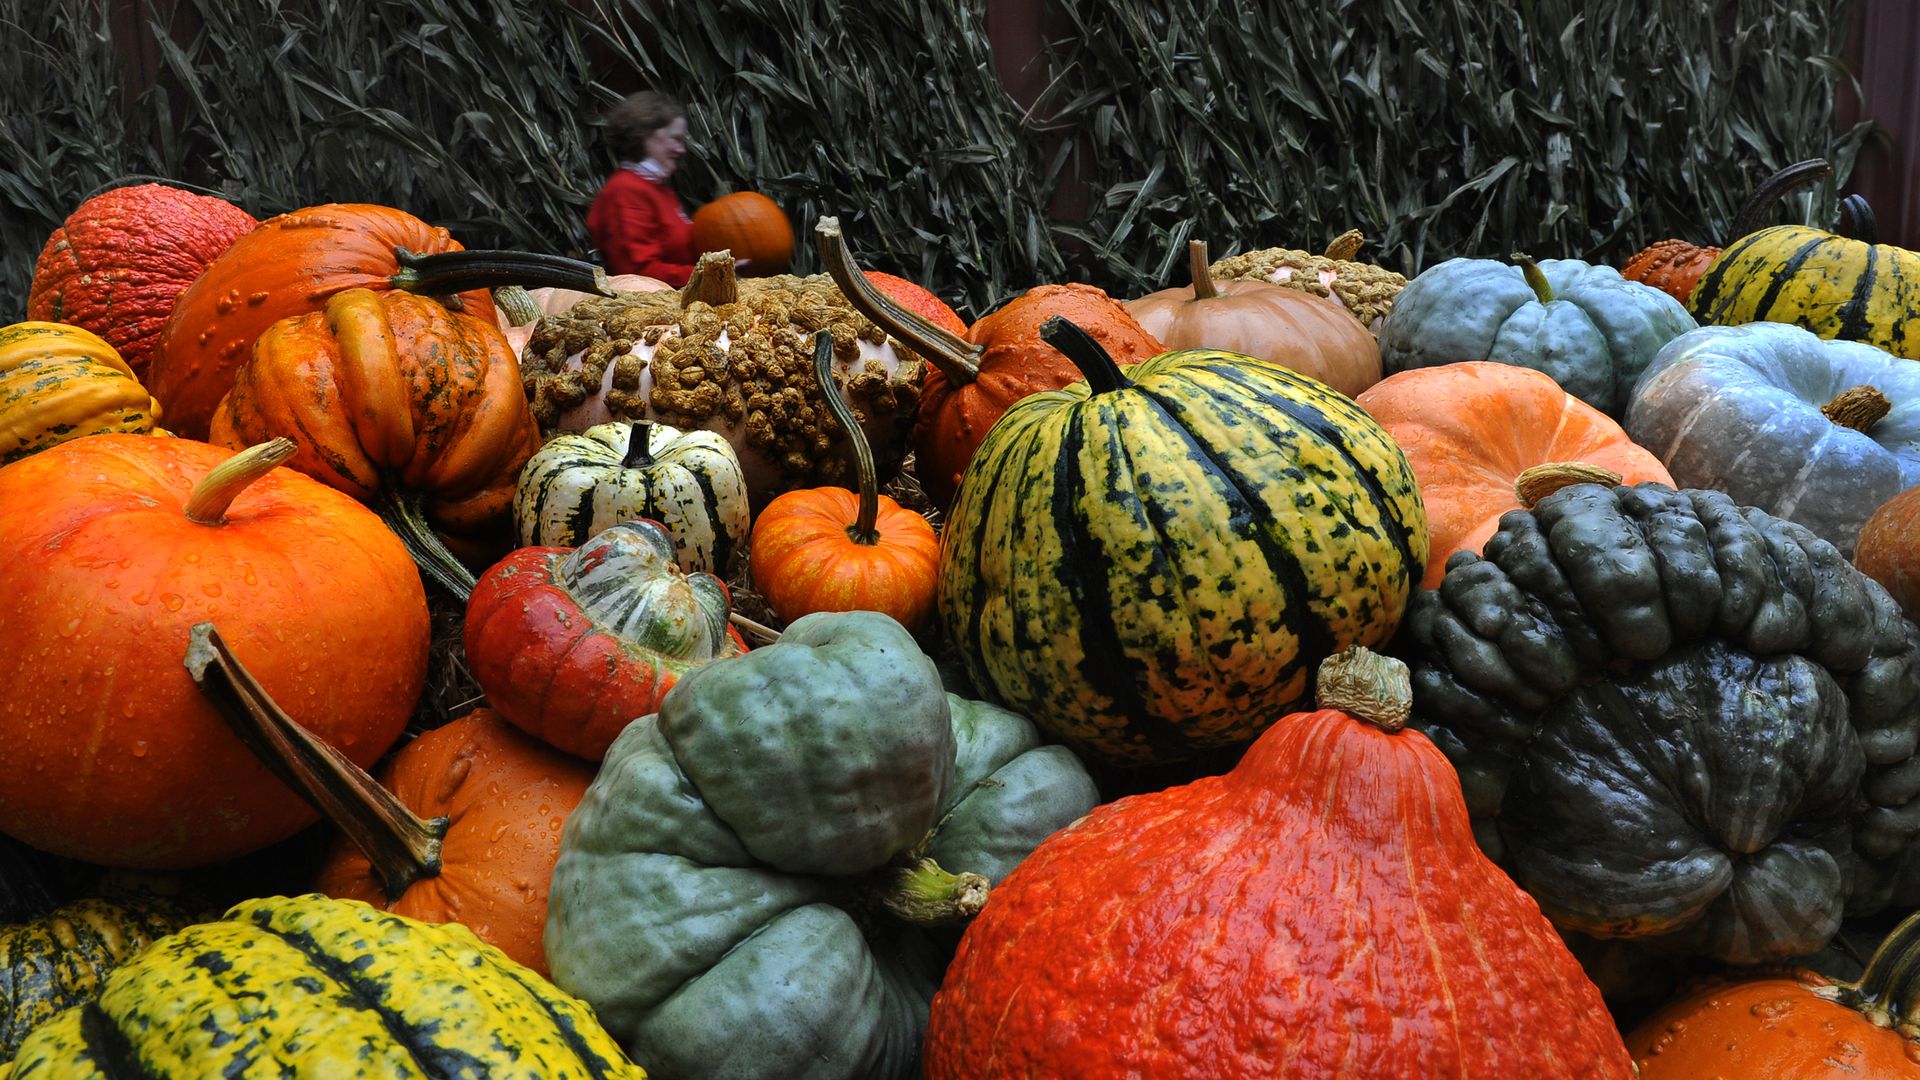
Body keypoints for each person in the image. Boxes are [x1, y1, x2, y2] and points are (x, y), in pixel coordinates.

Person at [586, 91, 697, 285]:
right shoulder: (625, 192)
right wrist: (705, 276)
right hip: (655, 307)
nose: (682, 149)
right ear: (646, 137)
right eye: (676, 139)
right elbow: (639, 273)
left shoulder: (657, 188)